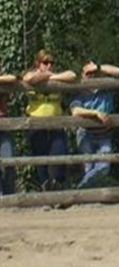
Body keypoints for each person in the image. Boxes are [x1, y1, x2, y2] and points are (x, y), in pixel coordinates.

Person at [23, 50, 76, 191]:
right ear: (38, 63)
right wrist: (46, 76)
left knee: (60, 156)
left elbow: (73, 75)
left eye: (51, 63)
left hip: (56, 124)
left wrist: (51, 77)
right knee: (41, 162)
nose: (49, 65)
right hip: (36, 125)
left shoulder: (57, 77)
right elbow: (29, 79)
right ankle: (47, 192)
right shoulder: (31, 74)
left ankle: (56, 188)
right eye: (45, 62)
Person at [70, 60, 119, 188]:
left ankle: (80, 189)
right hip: (85, 133)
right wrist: (95, 113)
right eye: (88, 73)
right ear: (82, 76)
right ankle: (88, 195)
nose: (91, 76)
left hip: (105, 135)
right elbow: (75, 111)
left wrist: (98, 67)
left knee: (104, 167)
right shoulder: (80, 92)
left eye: (94, 73)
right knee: (89, 168)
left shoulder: (106, 88)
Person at [0, 71, 17, 195]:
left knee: (9, 162)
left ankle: (9, 196)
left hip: (4, 127)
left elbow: (13, 78)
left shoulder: (4, 79)